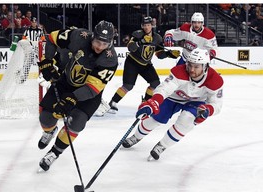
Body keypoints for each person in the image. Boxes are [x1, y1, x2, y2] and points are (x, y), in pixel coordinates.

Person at [37, 20, 118, 171]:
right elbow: (51, 38)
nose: (99, 47)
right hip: (66, 83)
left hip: (89, 93)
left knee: (77, 123)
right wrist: (47, 61)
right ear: (93, 36)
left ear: (111, 42)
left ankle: (55, 153)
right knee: (45, 118)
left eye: (104, 44)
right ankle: (50, 131)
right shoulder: (79, 36)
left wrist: (71, 99)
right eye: (97, 42)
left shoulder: (110, 59)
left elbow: (92, 88)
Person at [122, 48, 224, 161]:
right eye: (190, 65)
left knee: (187, 119)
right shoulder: (179, 71)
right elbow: (164, 88)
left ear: (205, 67)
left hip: (196, 102)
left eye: (196, 66)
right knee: (155, 119)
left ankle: (162, 145)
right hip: (174, 98)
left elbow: (217, 104)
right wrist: (154, 101)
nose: (192, 70)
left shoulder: (215, 80)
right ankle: (136, 136)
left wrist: (207, 110)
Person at [96, 16, 180, 116]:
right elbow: (130, 47)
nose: (146, 27)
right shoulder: (137, 34)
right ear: (141, 26)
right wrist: (141, 42)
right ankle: (113, 102)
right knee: (128, 86)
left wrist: (170, 54)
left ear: (151, 26)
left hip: (146, 65)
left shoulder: (157, 38)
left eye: (148, 25)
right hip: (132, 63)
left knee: (155, 83)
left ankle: (145, 102)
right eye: (144, 25)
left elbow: (159, 54)